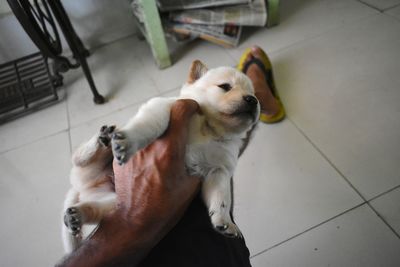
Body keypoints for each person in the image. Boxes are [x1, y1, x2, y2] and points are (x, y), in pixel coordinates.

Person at [57, 46, 284, 267]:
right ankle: (261, 98)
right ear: (192, 84)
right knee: (217, 160)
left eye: (250, 96)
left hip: (102, 189)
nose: (245, 97)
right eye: (226, 87)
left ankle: (254, 103)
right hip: (199, 249)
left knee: (221, 153)